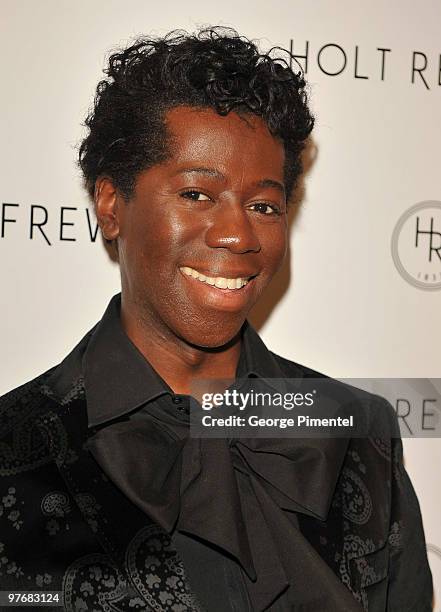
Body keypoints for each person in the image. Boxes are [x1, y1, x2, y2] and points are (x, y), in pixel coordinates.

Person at [0, 27, 432, 611]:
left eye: (263, 205)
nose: (237, 233)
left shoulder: (360, 436)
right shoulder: (13, 449)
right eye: (198, 195)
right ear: (110, 205)